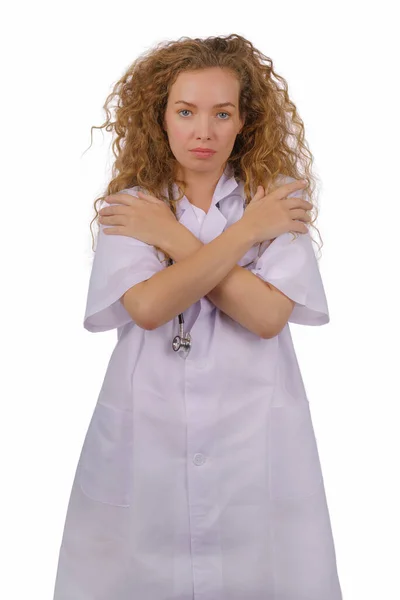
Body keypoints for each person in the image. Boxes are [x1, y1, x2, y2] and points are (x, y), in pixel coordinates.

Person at [52, 34, 343, 600]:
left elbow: (265, 316)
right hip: (150, 430)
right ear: (160, 118)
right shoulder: (133, 205)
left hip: (254, 433)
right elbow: (150, 307)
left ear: (244, 121)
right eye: (185, 111)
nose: (203, 131)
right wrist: (245, 235)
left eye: (222, 113)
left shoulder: (276, 199)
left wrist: (173, 240)